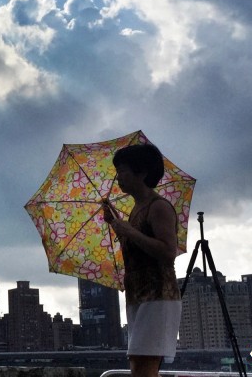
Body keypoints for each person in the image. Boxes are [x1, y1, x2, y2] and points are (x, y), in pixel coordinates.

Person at [103, 143, 181, 377]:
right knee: (139, 364)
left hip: (157, 296)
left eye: (123, 170)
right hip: (138, 295)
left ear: (142, 172)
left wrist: (129, 232)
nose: (118, 177)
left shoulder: (158, 207)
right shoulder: (136, 209)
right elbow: (138, 246)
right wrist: (116, 224)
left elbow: (168, 252)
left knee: (143, 367)